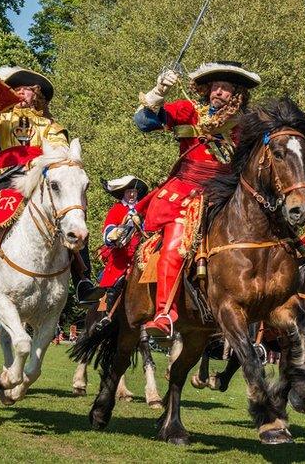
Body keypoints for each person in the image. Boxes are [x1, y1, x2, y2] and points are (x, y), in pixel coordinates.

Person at [134, 61, 261, 337]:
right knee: (175, 242)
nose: (219, 92)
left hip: (226, 192)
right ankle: (165, 313)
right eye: (215, 86)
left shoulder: (248, 126)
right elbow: (143, 123)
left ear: (237, 93)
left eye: (226, 88)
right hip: (186, 190)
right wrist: (158, 91)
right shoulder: (189, 111)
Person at [0, 66, 98, 304]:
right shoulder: (1, 117)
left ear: (37, 95)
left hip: (39, 175)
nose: (22, 93)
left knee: (73, 216)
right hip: (4, 174)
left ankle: (83, 280)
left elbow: (61, 153)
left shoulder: (51, 125)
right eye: (17, 89)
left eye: (28, 90)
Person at [97, 175, 149, 308]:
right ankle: (107, 313)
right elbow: (108, 231)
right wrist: (116, 232)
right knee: (116, 282)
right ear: (123, 193)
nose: (132, 194)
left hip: (144, 252)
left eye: (134, 192)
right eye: (128, 191)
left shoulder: (144, 209)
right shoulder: (117, 209)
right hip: (122, 255)